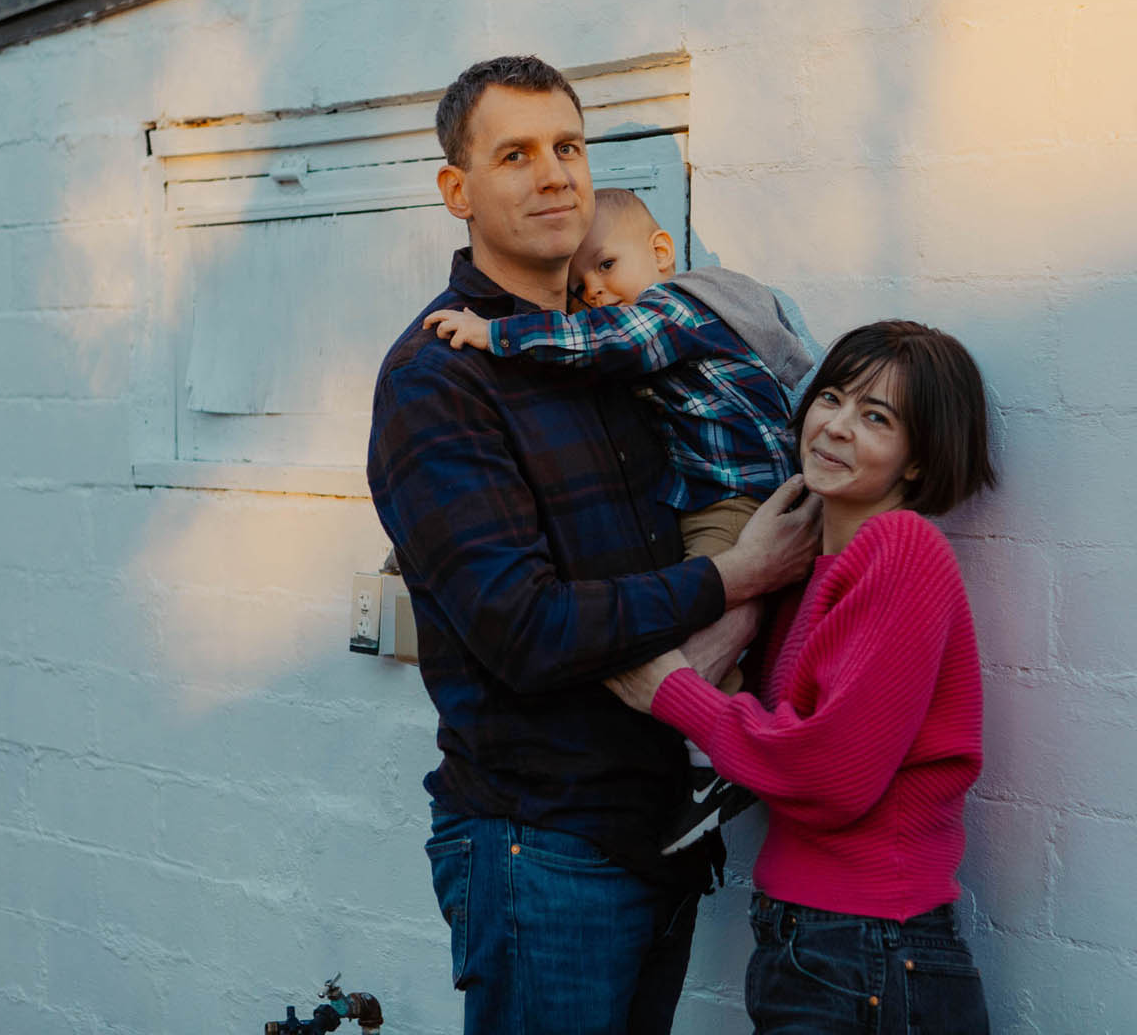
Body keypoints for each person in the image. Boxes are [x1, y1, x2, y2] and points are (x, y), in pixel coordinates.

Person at [365, 54, 821, 1035]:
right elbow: (523, 628)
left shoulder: (622, 347)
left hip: (660, 836)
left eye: (568, 147)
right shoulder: (438, 381)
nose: (554, 175)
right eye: (515, 155)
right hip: (546, 851)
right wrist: (736, 575)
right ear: (457, 190)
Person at [607, 319, 998, 1034]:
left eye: (876, 418)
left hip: (869, 947)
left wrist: (672, 691)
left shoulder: (902, 548)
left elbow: (830, 775)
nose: (836, 426)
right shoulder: (820, 568)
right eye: (832, 398)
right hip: (825, 944)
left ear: (918, 460)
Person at [419, 185, 814, 854]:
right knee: (689, 602)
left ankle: (715, 762)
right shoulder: (673, 326)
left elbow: (604, 342)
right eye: (580, 286)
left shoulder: (677, 307)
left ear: (660, 251)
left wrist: (496, 333)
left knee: (699, 612)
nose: (595, 291)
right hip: (714, 494)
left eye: (606, 265)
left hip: (742, 497)